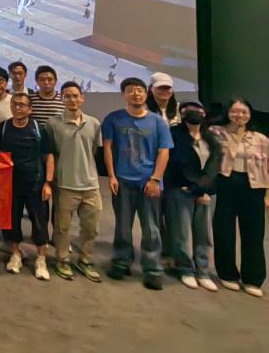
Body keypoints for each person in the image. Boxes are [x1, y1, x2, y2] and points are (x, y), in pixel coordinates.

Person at [102, 77, 173, 290]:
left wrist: (155, 179)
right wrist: (112, 176)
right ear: (123, 94)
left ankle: (152, 269)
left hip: (149, 182)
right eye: (131, 90)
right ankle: (121, 262)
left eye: (140, 90)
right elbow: (107, 148)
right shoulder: (113, 119)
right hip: (123, 181)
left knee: (151, 228)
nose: (136, 94)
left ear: (146, 93)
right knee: (123, 226)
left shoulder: (157, 122)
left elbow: (164, 152)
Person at [209, 97, 269, 297]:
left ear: (250, 115)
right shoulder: (216, 132)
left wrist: (268, 195)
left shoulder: (261, 139)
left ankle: (253, 278)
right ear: (227, 113)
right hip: (226, 185)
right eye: (235, 111)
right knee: (224, 230)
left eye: (244, 112)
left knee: (254, 233)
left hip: (254, 188)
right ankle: (227, 274)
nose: (239, 115)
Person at [0, 93, 52, 281]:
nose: (17, 108)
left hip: (35, 184)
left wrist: (48, 183)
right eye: (14, 104)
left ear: (30, 109)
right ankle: (15, 254)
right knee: (12, 222)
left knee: (40, 223)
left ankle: (41, 259)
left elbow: (49, 156)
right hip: (10, 184)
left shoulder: (39, 128)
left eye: (22, 105)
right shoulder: (3, 128)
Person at [45, 81, 103, 283]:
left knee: (91, 227)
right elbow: (51, 154)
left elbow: (94, 151)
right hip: (65, 184)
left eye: (75, 96)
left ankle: (85, 259)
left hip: (91, 185)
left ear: (82, 98)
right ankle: (62, 259)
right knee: (62, 227)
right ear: (61, 99)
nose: (72, 100)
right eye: (67, 96)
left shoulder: (93, 123)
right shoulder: (53, 124)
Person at [166, 101, 221, 291]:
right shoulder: (174, 135)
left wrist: (202, 189)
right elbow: (177, 163)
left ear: (204, 113)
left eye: (197, 110)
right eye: (188, 110)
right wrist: (194, 188)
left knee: (204, 233)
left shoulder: (211, 138)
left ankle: (203, 271)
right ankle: (185, 269)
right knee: (182, 233)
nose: (193, 113)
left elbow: (213, 166)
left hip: (206, 193)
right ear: (182, 114)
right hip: (181, 190)